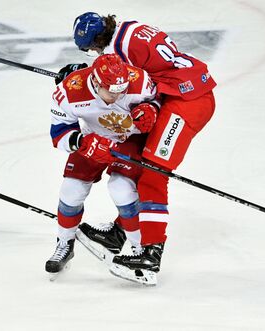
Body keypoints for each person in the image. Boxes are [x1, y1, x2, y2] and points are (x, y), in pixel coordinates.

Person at [59, 12, 217, 284]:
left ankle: (151, 255)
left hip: (188, 102)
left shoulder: (121, 50)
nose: (93, 53)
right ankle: (120, 232)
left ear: (96, 41)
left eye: (90, 49)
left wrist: (77, 75)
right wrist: (79, 72)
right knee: (142, 167)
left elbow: (123, 83)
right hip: (183, 92)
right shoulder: (126, 30)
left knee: (154, 172)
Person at [45, 53, 160, 276]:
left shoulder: (139, 81)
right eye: (111, 91)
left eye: (122, 91)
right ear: (96, 82)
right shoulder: (70, 90)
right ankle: (64, 244)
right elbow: (58, 134)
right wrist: (81, 142)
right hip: (92, 138)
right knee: (71, 191)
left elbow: (159, 99)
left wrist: (151, 109)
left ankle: (139, 251)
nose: (118, 96)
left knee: (120, 188)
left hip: (130, 140)